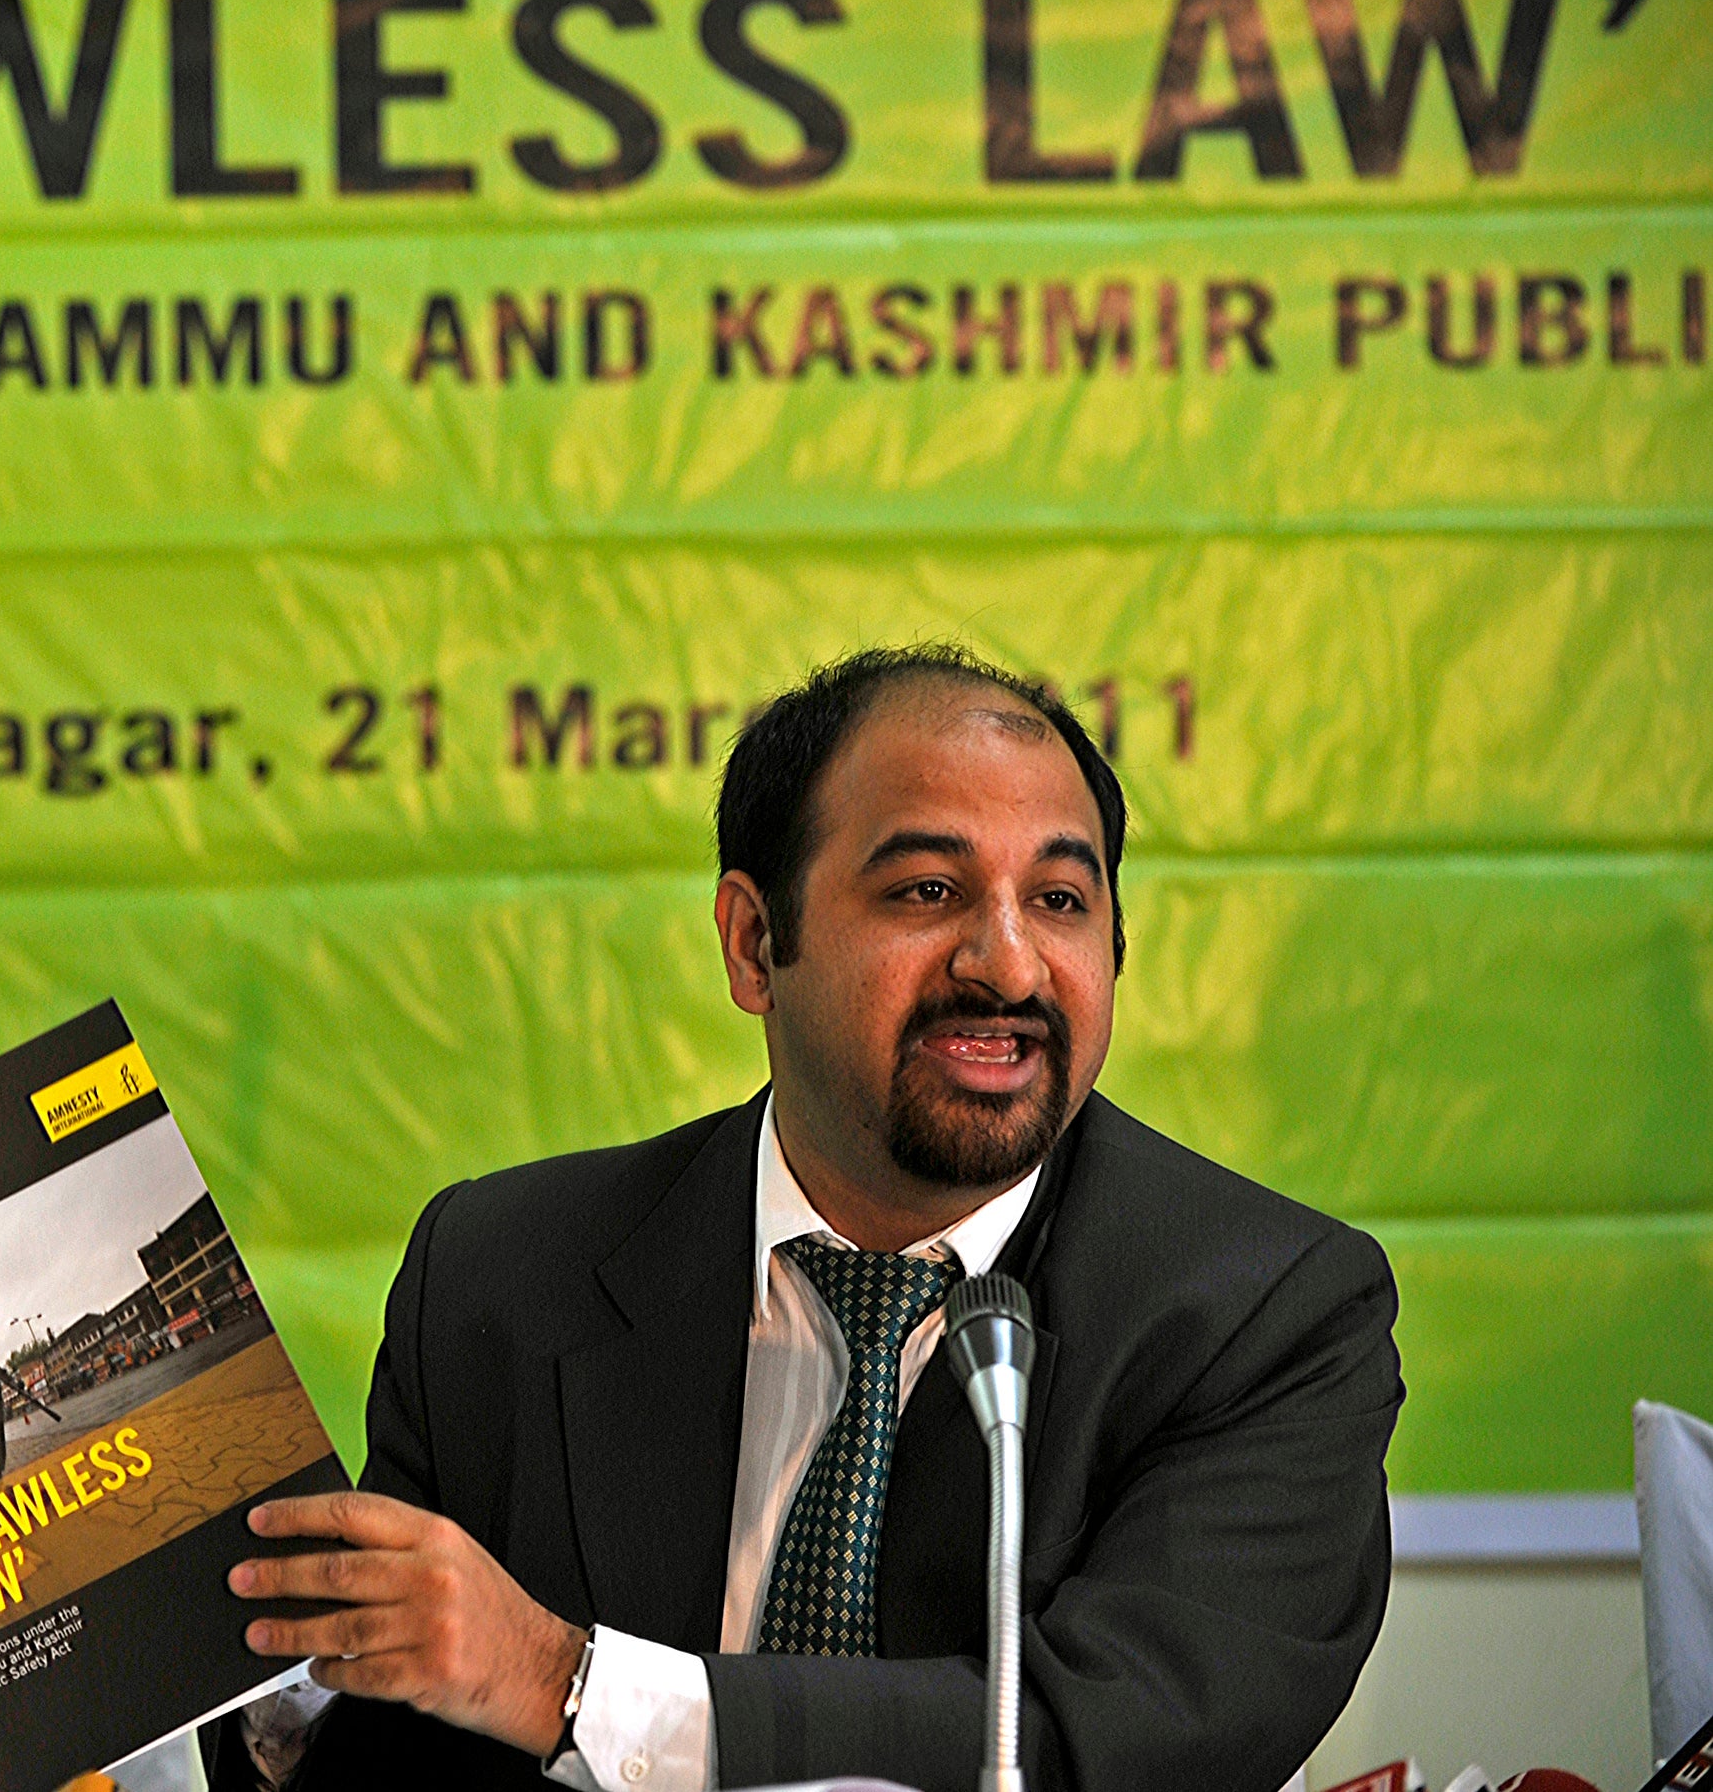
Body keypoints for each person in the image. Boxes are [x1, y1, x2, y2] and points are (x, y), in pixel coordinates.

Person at [210, 644, 1403, 1792]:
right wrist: (242, 1675)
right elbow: (406, 1740)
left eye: (1057, 898)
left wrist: (566, 1682)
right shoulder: (499, 1272)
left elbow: (1101, 1744)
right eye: (926, 890)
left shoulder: (1266, 1311)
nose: (1006, 963)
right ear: (751, 942)